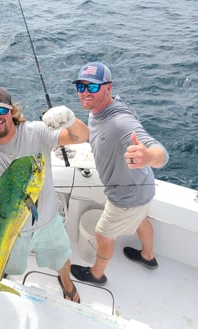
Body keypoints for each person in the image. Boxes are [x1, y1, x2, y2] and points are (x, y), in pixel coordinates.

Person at [0, 85, 89, 303]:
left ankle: (66, 282)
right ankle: (1, 280)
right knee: (7, 265)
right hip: (9, 230)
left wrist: (71, 119)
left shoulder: (36, 131)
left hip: (47, 221)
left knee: (62, 259)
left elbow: (80, 137)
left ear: (12, 111)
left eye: (1, 110)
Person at [70, 62, 169, 285]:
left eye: (93, 87)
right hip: (143, 187)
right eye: (81, 86)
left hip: (125, 196)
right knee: (141, 219)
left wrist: (149, 157)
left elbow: (160, 153)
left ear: (108, 88)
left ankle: (96, 274)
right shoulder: (100, 109)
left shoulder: (120, 122)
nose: (86, 93)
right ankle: (148, 256)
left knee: (102, 234)